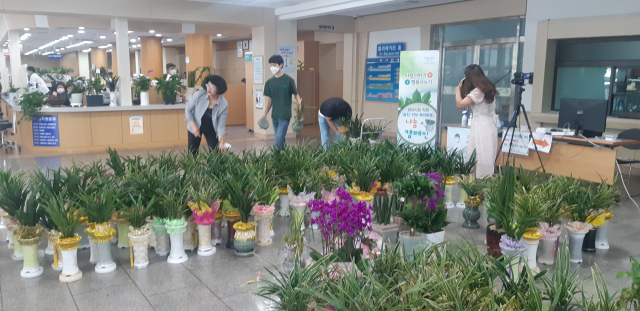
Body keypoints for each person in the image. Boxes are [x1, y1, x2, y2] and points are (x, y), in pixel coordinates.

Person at [455, 64, 498, 179]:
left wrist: (458, 89)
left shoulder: (478, 91)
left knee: (479, 156)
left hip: (481, 126)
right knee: (485, 156)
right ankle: (482, 187)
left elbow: (460, 104)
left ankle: (478, 188)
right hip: (489, 124)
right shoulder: (488, 88)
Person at [262, 54, 301, 148]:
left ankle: (275, 159)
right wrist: (265, 113)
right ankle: (283, 158)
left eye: (274, 65)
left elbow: (296, 95)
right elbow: (270, 100)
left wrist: (300, 110)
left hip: (285, 114)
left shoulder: (288, 80)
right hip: (274, 115)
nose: (272, 67)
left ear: (281, 65)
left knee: (278, 139)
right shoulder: (269, 82)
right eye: (270, 65)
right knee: (280, 139)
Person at [185, 75, 229, 155]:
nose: (209, 88)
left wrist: (222, 143)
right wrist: (193, 126)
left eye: (212, 86)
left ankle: (212, 167)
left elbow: (221, 125)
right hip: (195, 124)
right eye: (208, 85)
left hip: (211, 127)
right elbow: (188, 109)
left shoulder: (223, 103)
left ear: (219, 88)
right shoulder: (199, 94)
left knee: (215, 153)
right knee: (192, 152)